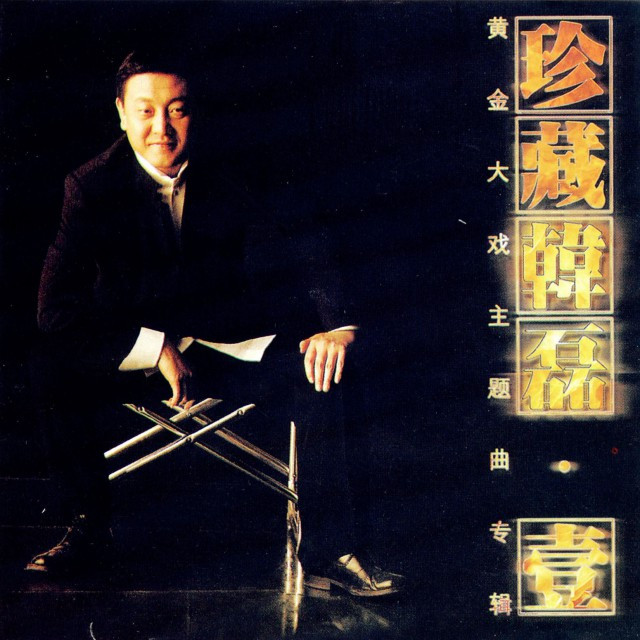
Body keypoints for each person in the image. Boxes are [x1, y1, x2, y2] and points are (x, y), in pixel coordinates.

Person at [27, 49, 404, 597]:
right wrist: (153, 347)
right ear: (121, 113)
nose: (161, 128)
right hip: (140, 354)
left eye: (177, 110)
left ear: (194, 112)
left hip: (231, 343)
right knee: (49, 365)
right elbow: (54, 309)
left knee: (329, 367)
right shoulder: (90, 186)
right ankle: (88, 529)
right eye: (146, 111)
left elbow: (310, 243)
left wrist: (339, 325)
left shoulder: (238, 165)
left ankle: (331, 552)